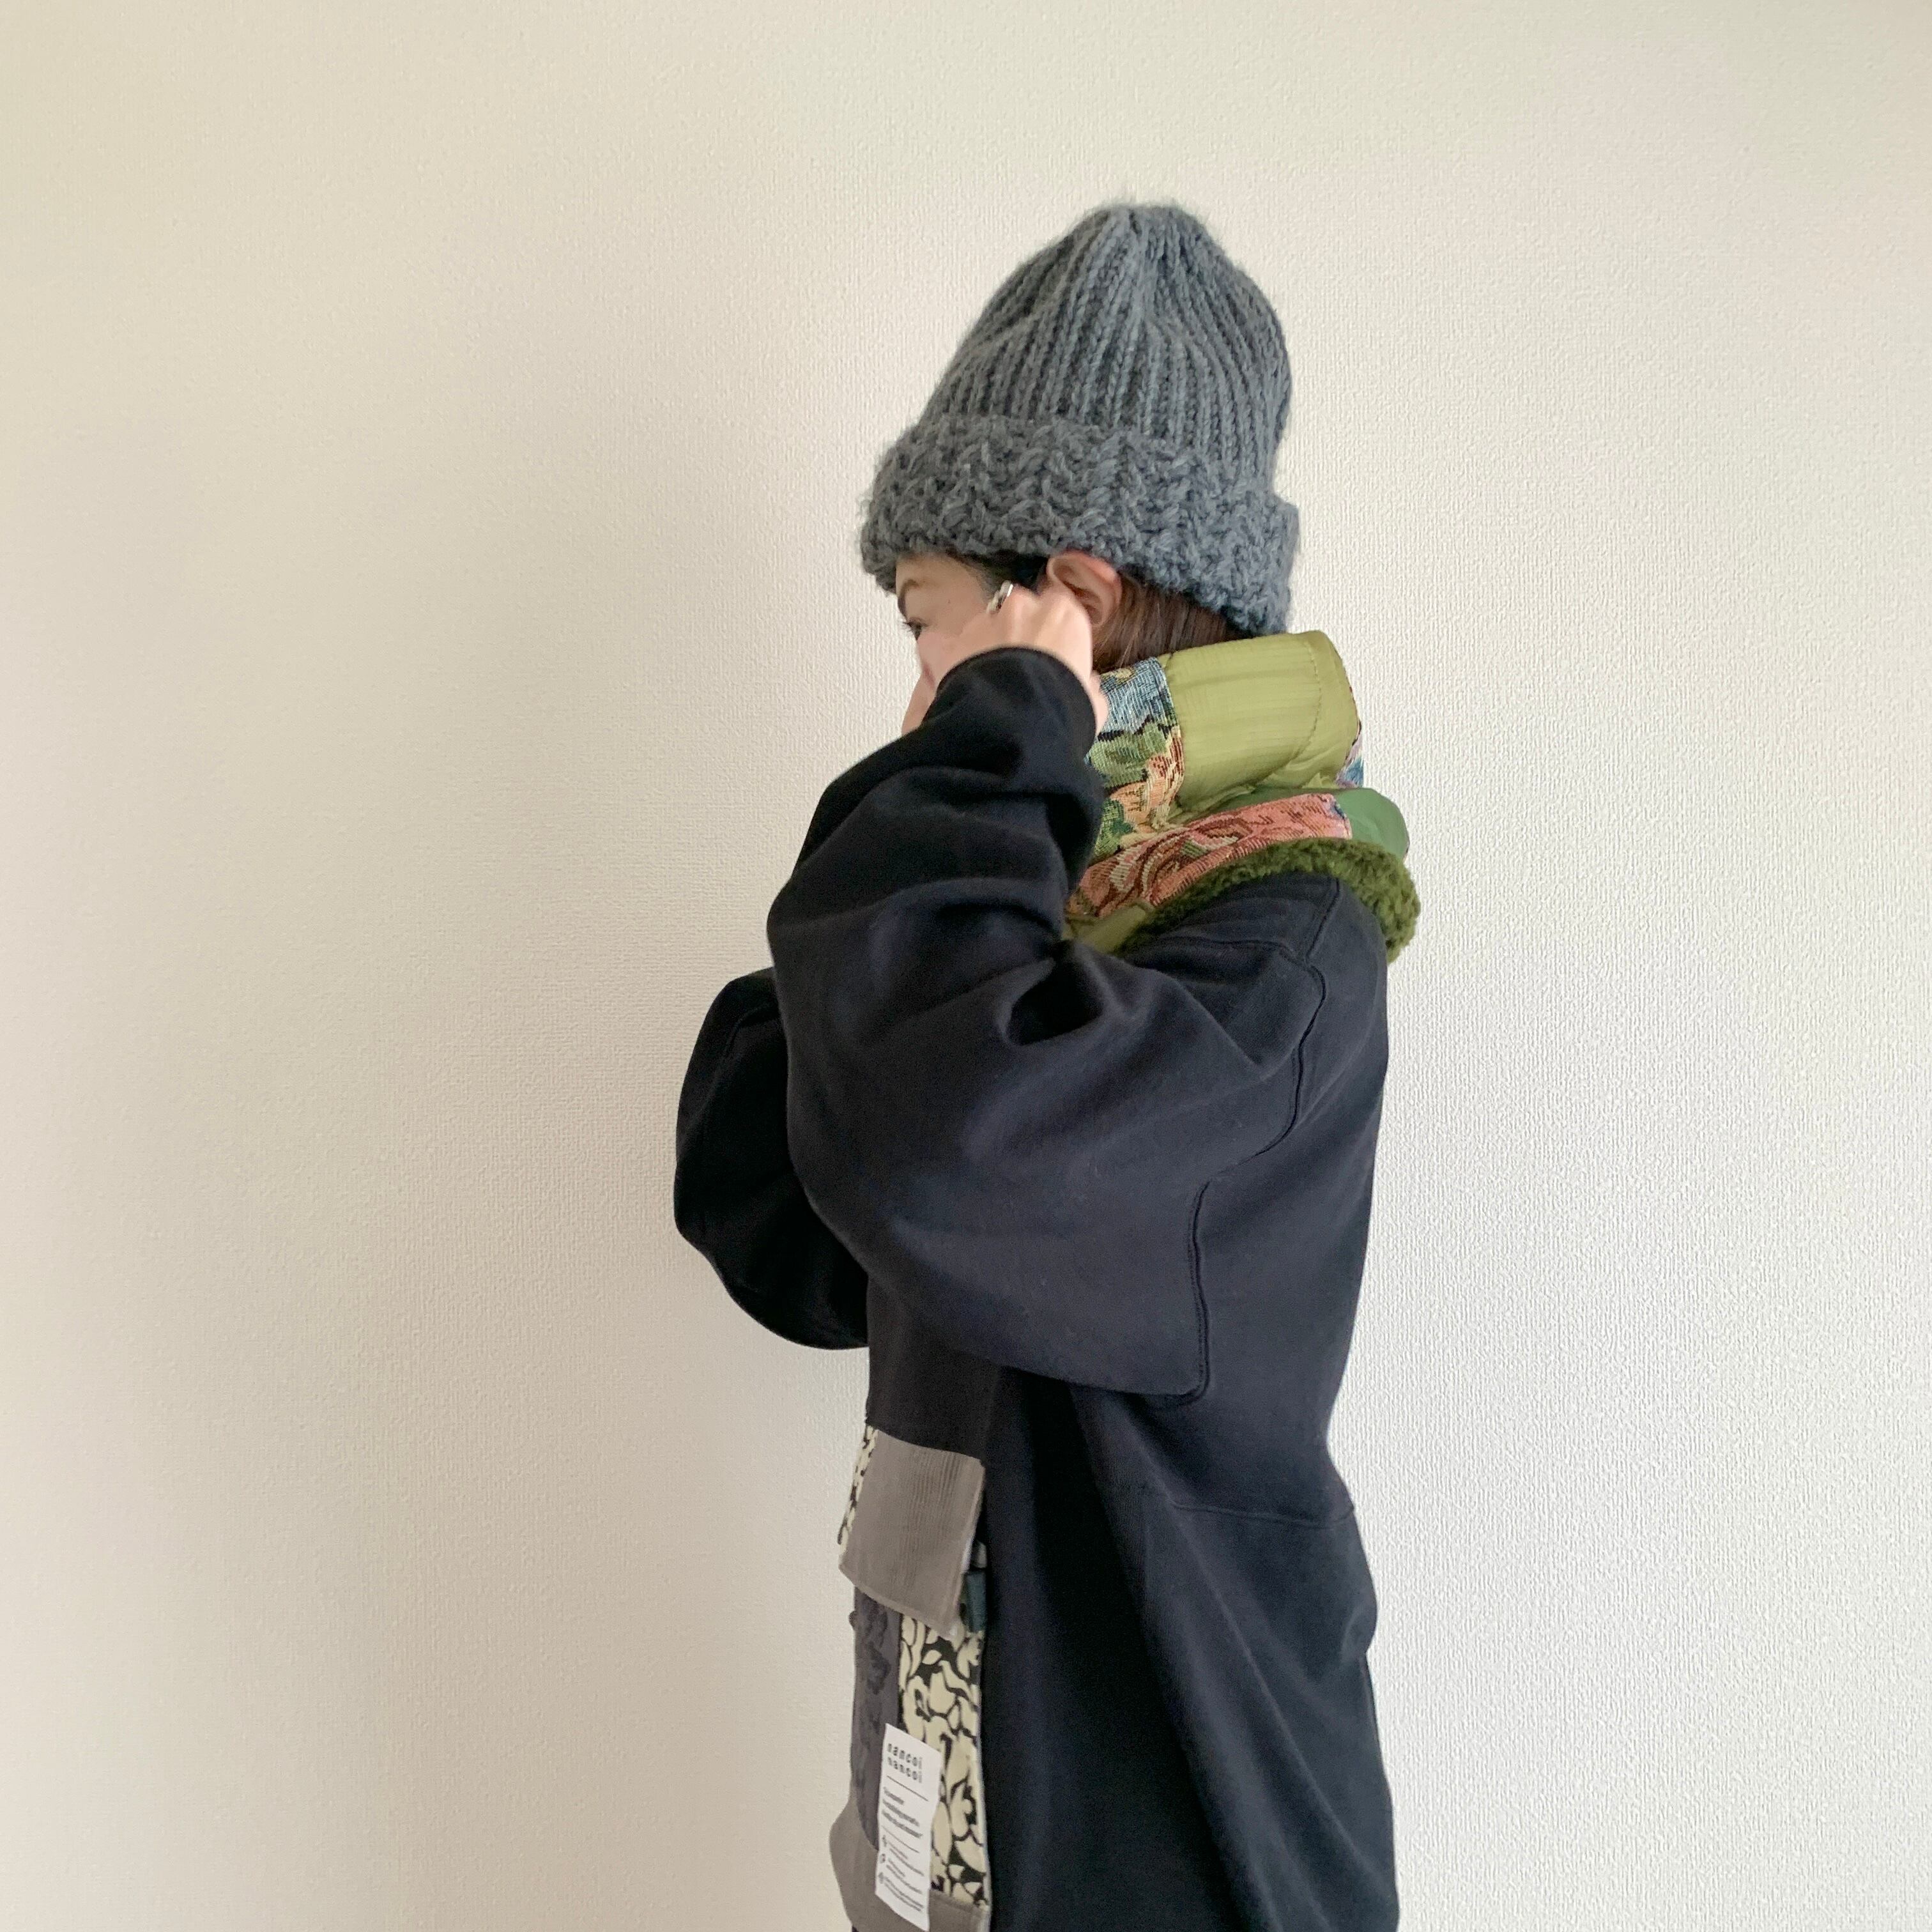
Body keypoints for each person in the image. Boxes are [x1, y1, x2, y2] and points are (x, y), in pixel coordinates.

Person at [674, 199, 1420, 1932]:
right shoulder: (1029, 916)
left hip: (1181, 1843)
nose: (921, 691)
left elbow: (943, 1153)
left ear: (1063, 605)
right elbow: (769, 1200)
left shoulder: (1277, 948)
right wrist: (965, 798)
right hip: (964, 1816)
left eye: (928, 629)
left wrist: (986, 762)